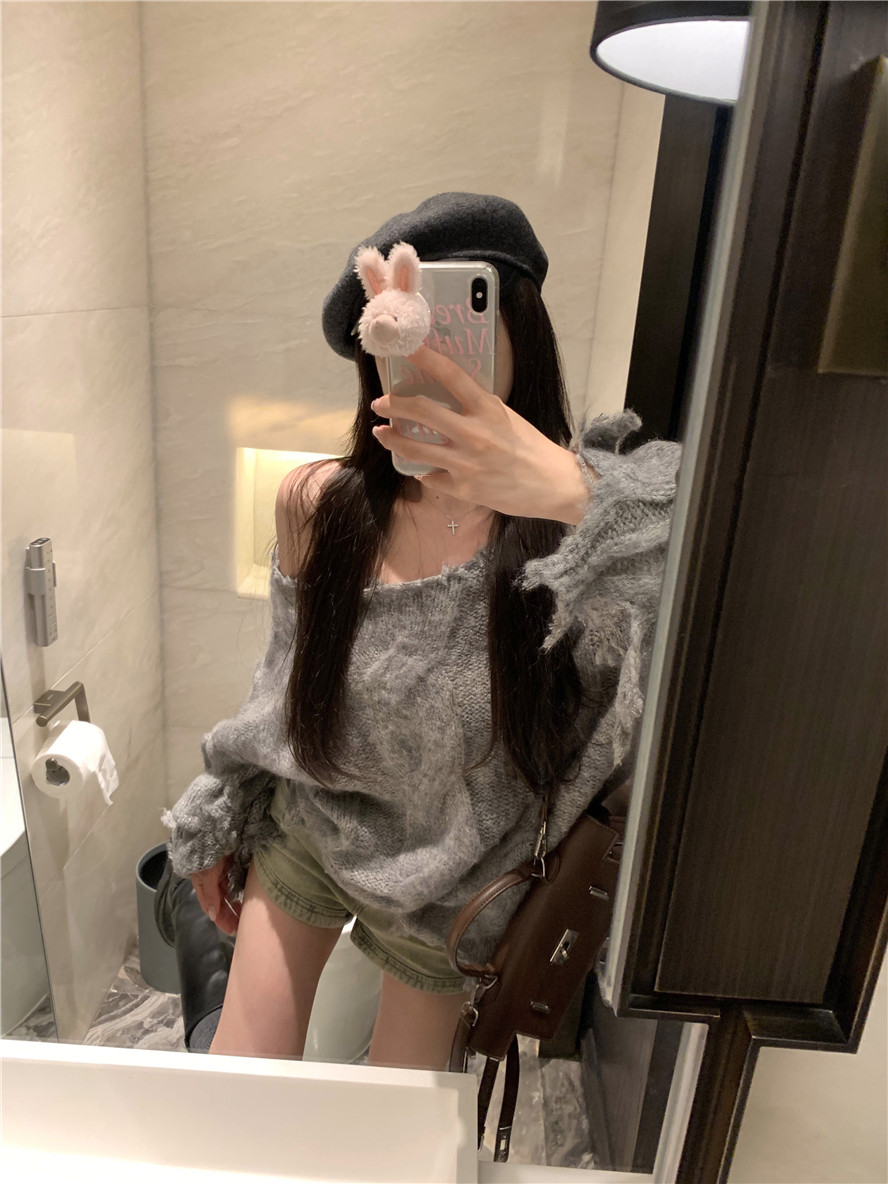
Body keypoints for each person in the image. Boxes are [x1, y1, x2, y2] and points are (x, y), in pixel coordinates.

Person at [161, 191, 683, 1070]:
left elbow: (721, 577)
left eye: (458, 319)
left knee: (394, 1124)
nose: (433, 354)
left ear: (518, 323)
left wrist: (570, 490)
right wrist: (224, 807)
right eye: (406, 327)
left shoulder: (587, 528)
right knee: (239, 1088)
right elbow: (281, 689)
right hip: (318, 825)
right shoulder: (322, 506)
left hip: (460, 880)